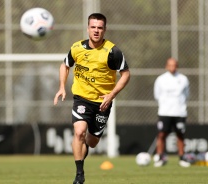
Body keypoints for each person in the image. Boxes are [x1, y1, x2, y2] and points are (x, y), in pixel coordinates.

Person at [54, 13, 130, 184]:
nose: (96, 31)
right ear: (88, 28)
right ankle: (79, 174)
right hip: (81, 98)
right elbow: (65, 65)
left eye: (100, 28)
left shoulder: (112, 51)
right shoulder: (77, 48)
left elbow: (126, 74)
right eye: (93, 27)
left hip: (102, 102)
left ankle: (83, 149)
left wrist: (112, 95)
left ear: (104, 30)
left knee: (92, 141)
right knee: (79, 132)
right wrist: (61, 86)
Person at [153, 57, 190, 167]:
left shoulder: (183, 79)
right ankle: (160, 157)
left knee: (180, 135)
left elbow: (187, 95)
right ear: (166, 66)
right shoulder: (160, 79)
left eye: (174, 65)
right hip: (165, 112)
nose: (172, 67)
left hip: (179, 112)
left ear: (177, 66)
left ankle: (182, 158)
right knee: (162, 134)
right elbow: (157, 95)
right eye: (170, 65)